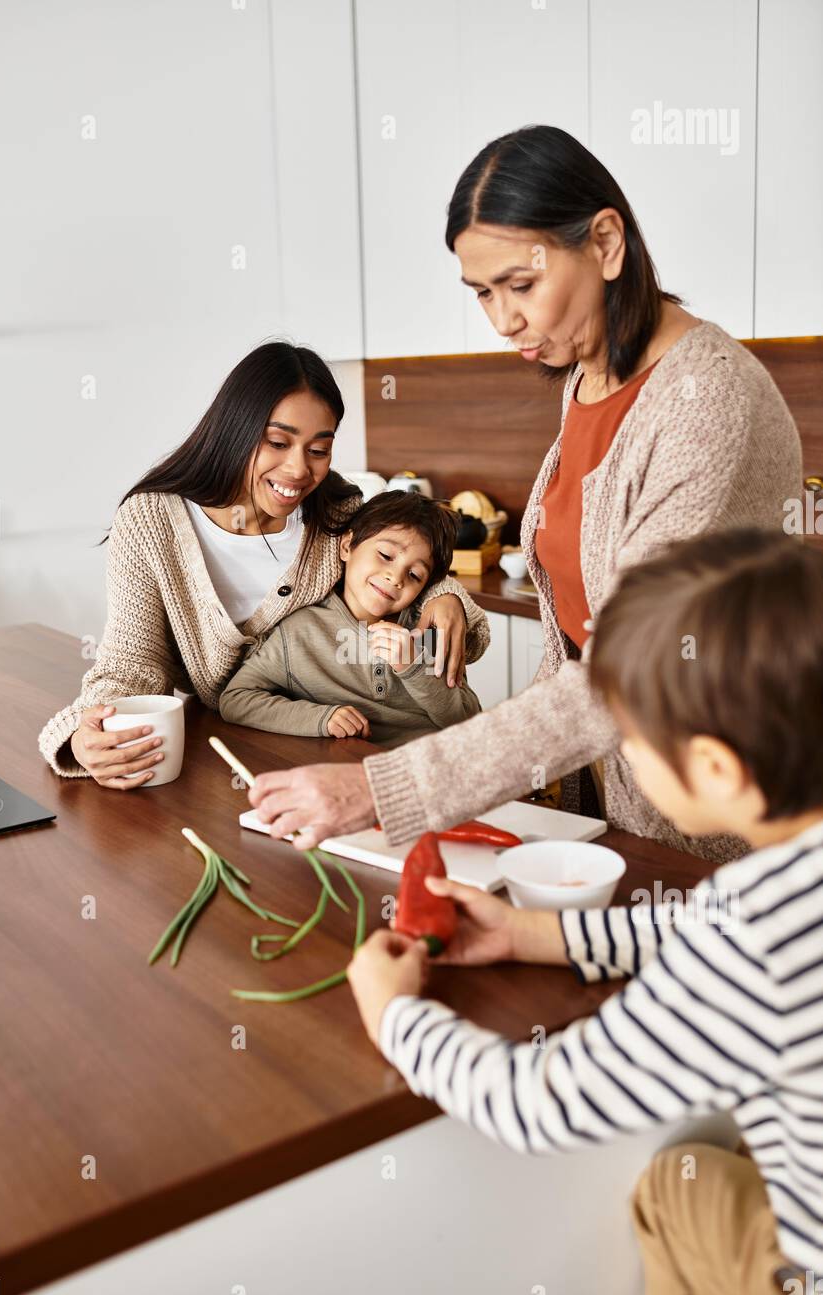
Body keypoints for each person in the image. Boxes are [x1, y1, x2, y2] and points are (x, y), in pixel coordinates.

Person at [247, 126, 803, 867]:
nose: (503, 320)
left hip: (708, 831)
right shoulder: (588, 381)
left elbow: (634, 671)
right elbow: (573, 642)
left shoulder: (706, 400)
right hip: (607, 806)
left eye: (521, 284)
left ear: (606, 244)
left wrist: (389, 790)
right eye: (482, 292)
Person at [347, 529, 823, 1295]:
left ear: (714, 768)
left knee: (675, 1187)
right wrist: (540, 932)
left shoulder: (753, 943)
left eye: (631, 738)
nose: (623, 755)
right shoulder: (772, 905)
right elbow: (722, 921)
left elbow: (541, 1104)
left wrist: (395, 1017)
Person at [37, 342, 488, 787]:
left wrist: (445, 594)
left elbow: (398, 551)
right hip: (226, 746)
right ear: (236, 428)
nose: (297, 470)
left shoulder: (334, 513)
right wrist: (82, 734)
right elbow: (133, 661)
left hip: (319, 754)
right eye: (277, 442)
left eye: (318, 449)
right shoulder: (152, 521)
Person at [219, 491, 483, 746]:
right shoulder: (300, 632)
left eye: (414, 575)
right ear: (347, 546)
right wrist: (321, 719)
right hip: (348, 772)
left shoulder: (427, 629)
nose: (395, 577)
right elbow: (235, 700)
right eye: (385, 556)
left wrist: (414, 667)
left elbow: (468, 721)